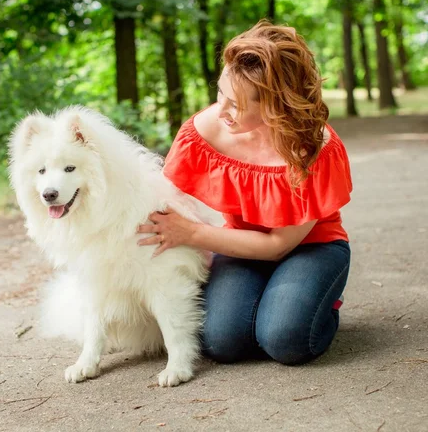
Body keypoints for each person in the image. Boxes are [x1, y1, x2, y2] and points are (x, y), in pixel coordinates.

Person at [137, 20, 352, 365]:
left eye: (236, 104)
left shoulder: (312, 148)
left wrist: (192, 233)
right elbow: (163, 200)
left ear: (274, 105)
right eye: (220, 92)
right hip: (240, 245)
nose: (221, 110)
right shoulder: (203, 131)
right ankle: (276, 301)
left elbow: (278, 246)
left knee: (286, 341)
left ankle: (320, 302)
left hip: (313, 249)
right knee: (221, 342)